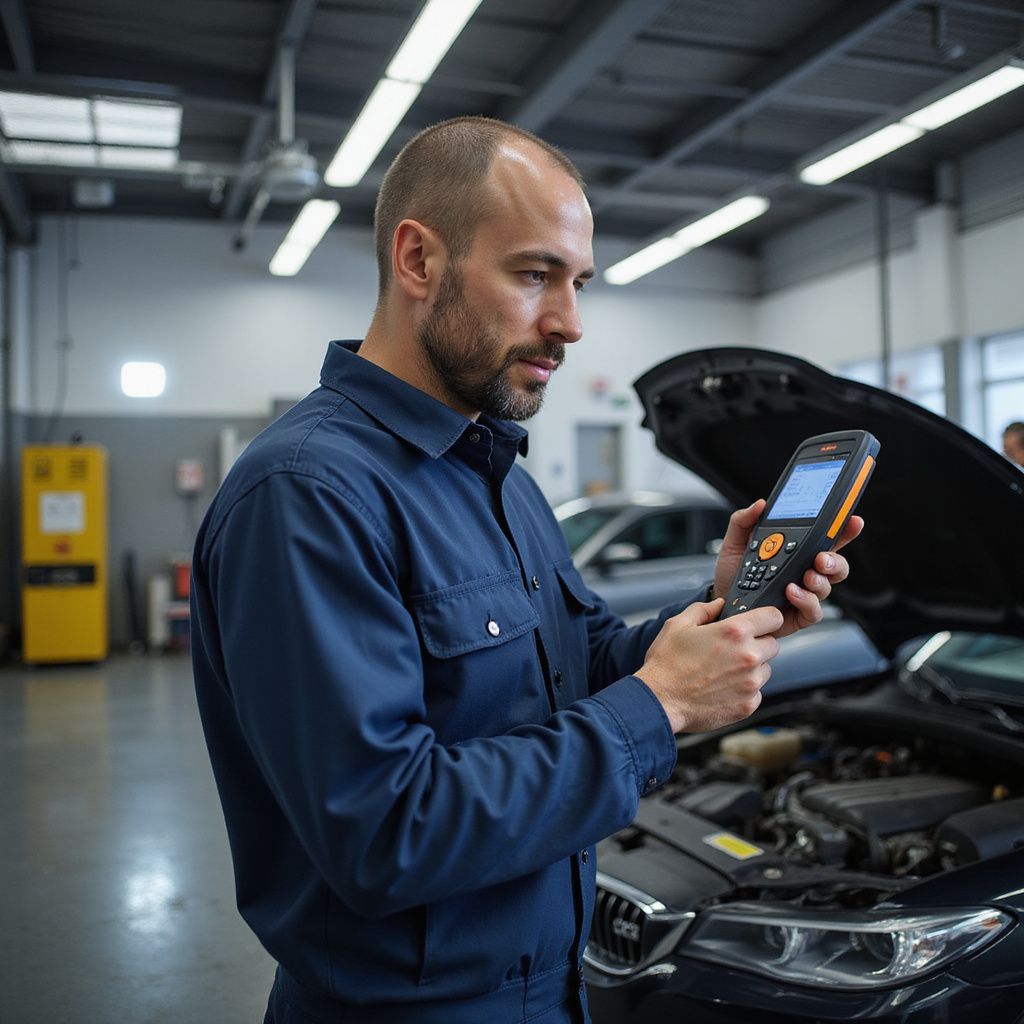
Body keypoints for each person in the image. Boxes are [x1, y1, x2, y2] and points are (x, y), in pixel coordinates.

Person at [190, 116, 863, 1024]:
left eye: (578, 282)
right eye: (535, 274)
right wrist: (661, 706)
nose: (571, 323)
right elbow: (385, 834)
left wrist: (712, 611)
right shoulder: (308, 495)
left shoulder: (495, 469)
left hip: (552, 984)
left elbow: (571, 666)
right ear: (418, 261)